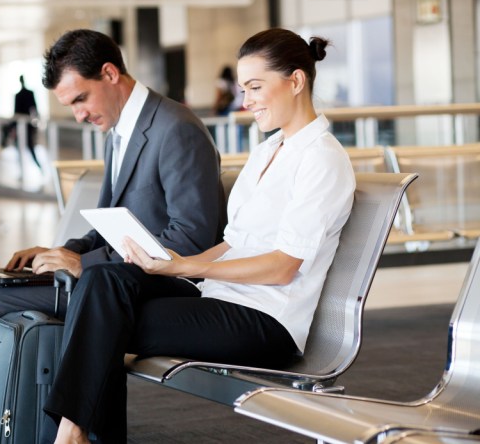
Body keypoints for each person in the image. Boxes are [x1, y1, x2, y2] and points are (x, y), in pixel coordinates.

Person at [44, 27, 356, 444]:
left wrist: (186, 266)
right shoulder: (267, 151)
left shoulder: (323, 160)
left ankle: (70, 434)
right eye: (244, 88)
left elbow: (284, 268)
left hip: (265, 319)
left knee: (103, 317)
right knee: (104, 281)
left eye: (256, 87)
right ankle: (76, 432)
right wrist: (173, 267)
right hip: (220, 296)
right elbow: (235, 240)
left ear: (296, 81)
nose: (245, 101)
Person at [0, 29, 226, 365]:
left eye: (81, 99)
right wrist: (65, 252)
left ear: (110, 74)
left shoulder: (175, 128)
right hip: (114, 275)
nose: (79, 116)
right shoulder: (119, 131)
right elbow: (106, 225)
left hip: (163, 284)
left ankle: (19, 413)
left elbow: (190, 240)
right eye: (70, 106)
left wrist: (85, 264)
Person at [12, 75, 42, 168]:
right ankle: (22, 169)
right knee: (22, 147)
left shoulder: (24, 94)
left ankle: (38, 167)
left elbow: (34, 109)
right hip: (23, 124)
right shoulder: (20, 95)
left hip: (27, 124)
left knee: (29, 147)